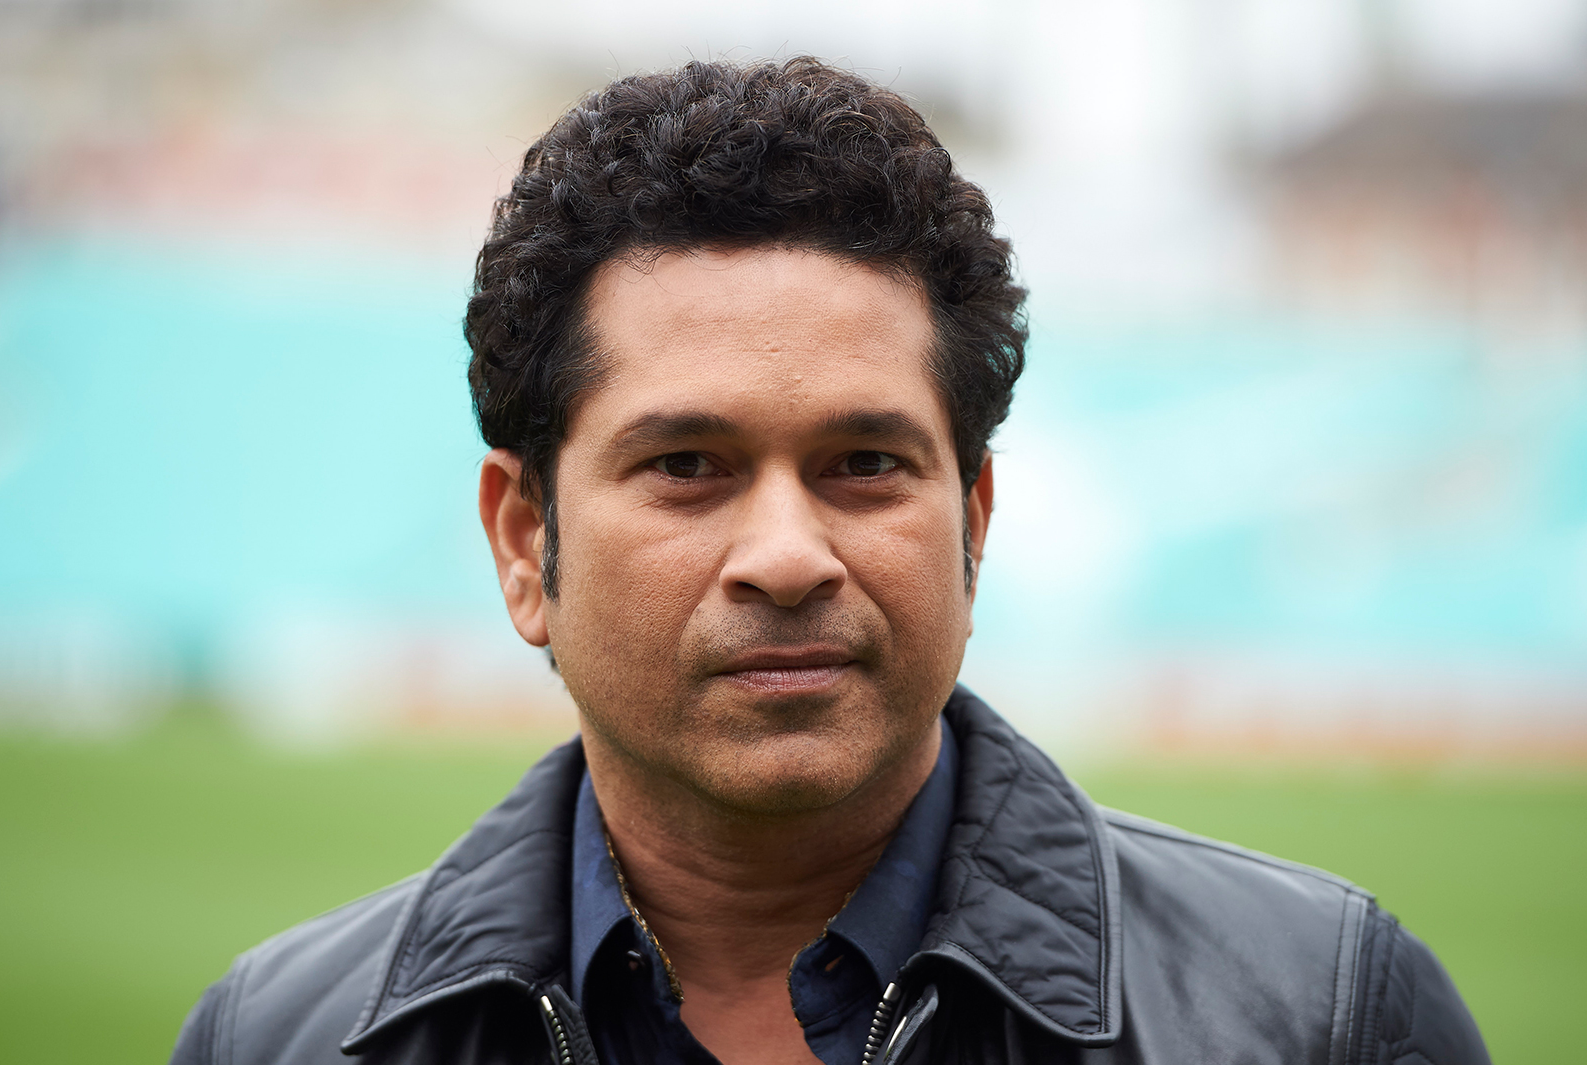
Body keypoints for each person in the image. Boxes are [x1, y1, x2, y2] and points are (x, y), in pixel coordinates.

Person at [169, 57, 1490, 1065]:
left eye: (865, 464)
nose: (789, 555)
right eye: (687, 464)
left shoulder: (1324, 1016)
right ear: (527, 541)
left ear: (972, 524)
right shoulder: (281, 1036)